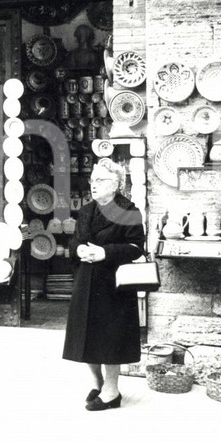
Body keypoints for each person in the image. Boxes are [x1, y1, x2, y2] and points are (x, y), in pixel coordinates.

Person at [62, 158, 145, 411]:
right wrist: (80, 251)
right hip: (86, 281)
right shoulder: (87, 210)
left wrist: (104, 253)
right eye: (92, 180)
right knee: (87, 335)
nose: (93, 185)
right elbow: (74, 242)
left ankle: (112, 391)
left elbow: (135, 247)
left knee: (110, 338)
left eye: (101, 180)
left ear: (117, 184)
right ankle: (98, 384)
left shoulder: (128, 211)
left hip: (113, 285)